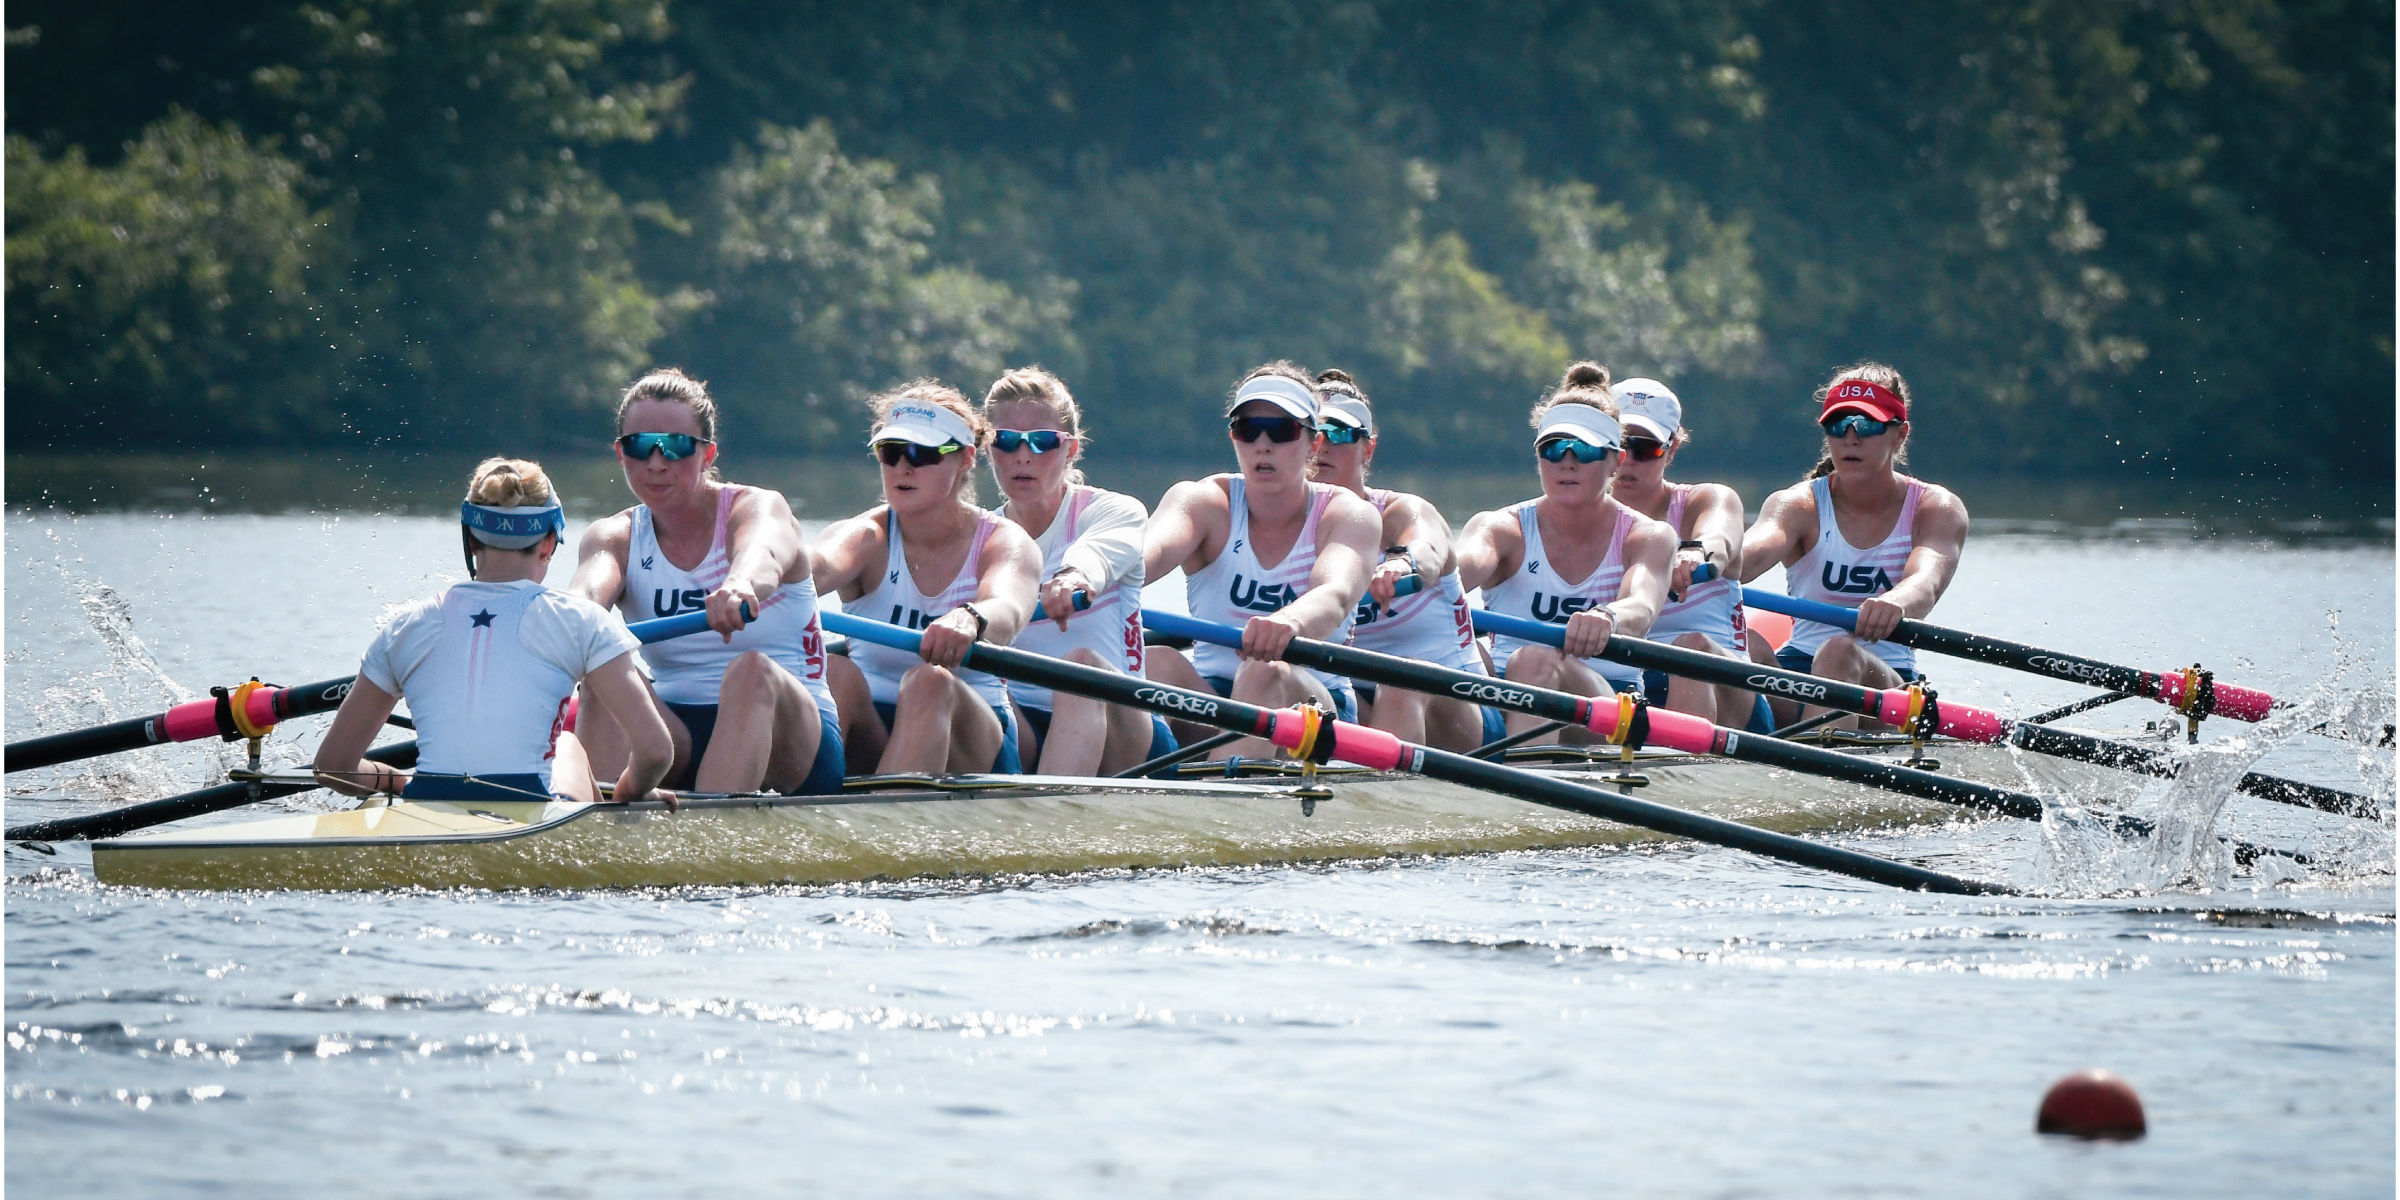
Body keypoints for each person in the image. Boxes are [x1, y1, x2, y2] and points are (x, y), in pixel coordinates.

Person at [313, 458, 674, 807]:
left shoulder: (406, 627)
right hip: (535, 815)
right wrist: (632, 791)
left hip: (427, 802)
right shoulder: (581, 620)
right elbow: (656, 750)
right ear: (549, 543)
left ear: (470, 539)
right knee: (565, 745)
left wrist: (403, 785)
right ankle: (602, 838)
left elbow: (332, 767)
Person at [566, 368, 845, 795]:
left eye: (676, 447)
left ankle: (712, 840)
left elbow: (762, 554)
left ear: (708, 454)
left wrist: (741, 585)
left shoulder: (757, 508)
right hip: (677, 732)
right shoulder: (613, 536)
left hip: (796, 741)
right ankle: (592, 833)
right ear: (621, 454)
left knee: (750, 670)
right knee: (600, 670)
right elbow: (582, 600)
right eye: (640, 446)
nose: (656, 462)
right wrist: (557, 626)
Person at [1143, 363, 1381, 757]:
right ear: (1234, 437)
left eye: (1282, 430)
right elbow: (1143, 558)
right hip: (1213, 703)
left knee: (1262, 670)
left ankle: (1220, 800)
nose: (1263, 445)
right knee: (1155, 662)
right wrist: (1089, 577)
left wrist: (1290, 621)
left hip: (1317, 710)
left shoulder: (1348, 514)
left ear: (1314, 443)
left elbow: (1335, 593)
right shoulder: (1203, 502)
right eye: (1248, 429)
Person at [814, 380, 1042, 774]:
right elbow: (809, 569)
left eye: (924, 453)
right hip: (875, 729)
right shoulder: (864, 536)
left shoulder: (1004, 542)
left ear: (966, 459)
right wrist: (752, 582)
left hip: (974, 738)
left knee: (930, 682)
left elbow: (1008, 609)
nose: (904, 466)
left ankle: (884, 821)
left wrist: (971, 618)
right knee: (835, 672)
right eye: (892, 452)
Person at [1739, 363, 1970, 729]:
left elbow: (1926, 582)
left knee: (1839, 650)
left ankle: (1811, 765)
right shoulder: (1800, 504)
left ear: (1900, 434)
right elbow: (1746, 557)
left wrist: (1895, 601)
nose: (1850, 438)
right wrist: (1700, 557)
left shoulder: (1934, 507)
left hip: (1887, 685)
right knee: (1741, 641)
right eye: (1837, 425)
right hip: (1796, 676)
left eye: (1866, 425)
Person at [1454, 362, 1675, 744]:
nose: (1567, 462)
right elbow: (1455, 573)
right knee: (1446, 650)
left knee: (1534, 659)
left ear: (1616, 461)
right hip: (1503, 693)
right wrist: (1405, 572)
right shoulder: (1500, 528)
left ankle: (1523, 787)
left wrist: (1608, 615)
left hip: (1608, 700)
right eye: (1553, 448)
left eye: (1585, 450)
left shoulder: (1648, 535)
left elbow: (1641, 607)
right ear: (1538, 457)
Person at [980, 367, 1177, 775]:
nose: (1023, 455)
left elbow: (1098, 554)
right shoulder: (980, 534)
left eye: (1043, 441)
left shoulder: (1113, 511)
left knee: (1080, 665)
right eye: (1006, 441)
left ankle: (1047, 824)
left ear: (1070, 450)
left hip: (1125, 726)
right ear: (986, 448)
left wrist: (1073, 577)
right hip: (1024, 723)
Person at [1305, 368, 1504, 753]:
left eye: (1342, 434)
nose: (1325, 446)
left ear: (1368, 448)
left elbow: (1426, 549)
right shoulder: (1284, 526)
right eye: (1315, 433)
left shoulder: (1403, 511)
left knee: (1399, 682)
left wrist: (1400, 563)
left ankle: (1381, 804)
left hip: (1458, 703)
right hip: (1354, 698)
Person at [1603, 376, 1771, 730]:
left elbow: (1719, 536)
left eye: (1645, 448)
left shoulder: (1705, 500)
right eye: (1619, 445)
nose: (1628, 460)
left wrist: (1695, 552)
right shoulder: (1577, 518)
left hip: (1726, 690)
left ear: (1673, 447)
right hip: (1623, 685)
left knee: (1689, 647)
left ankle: (1679, 771)